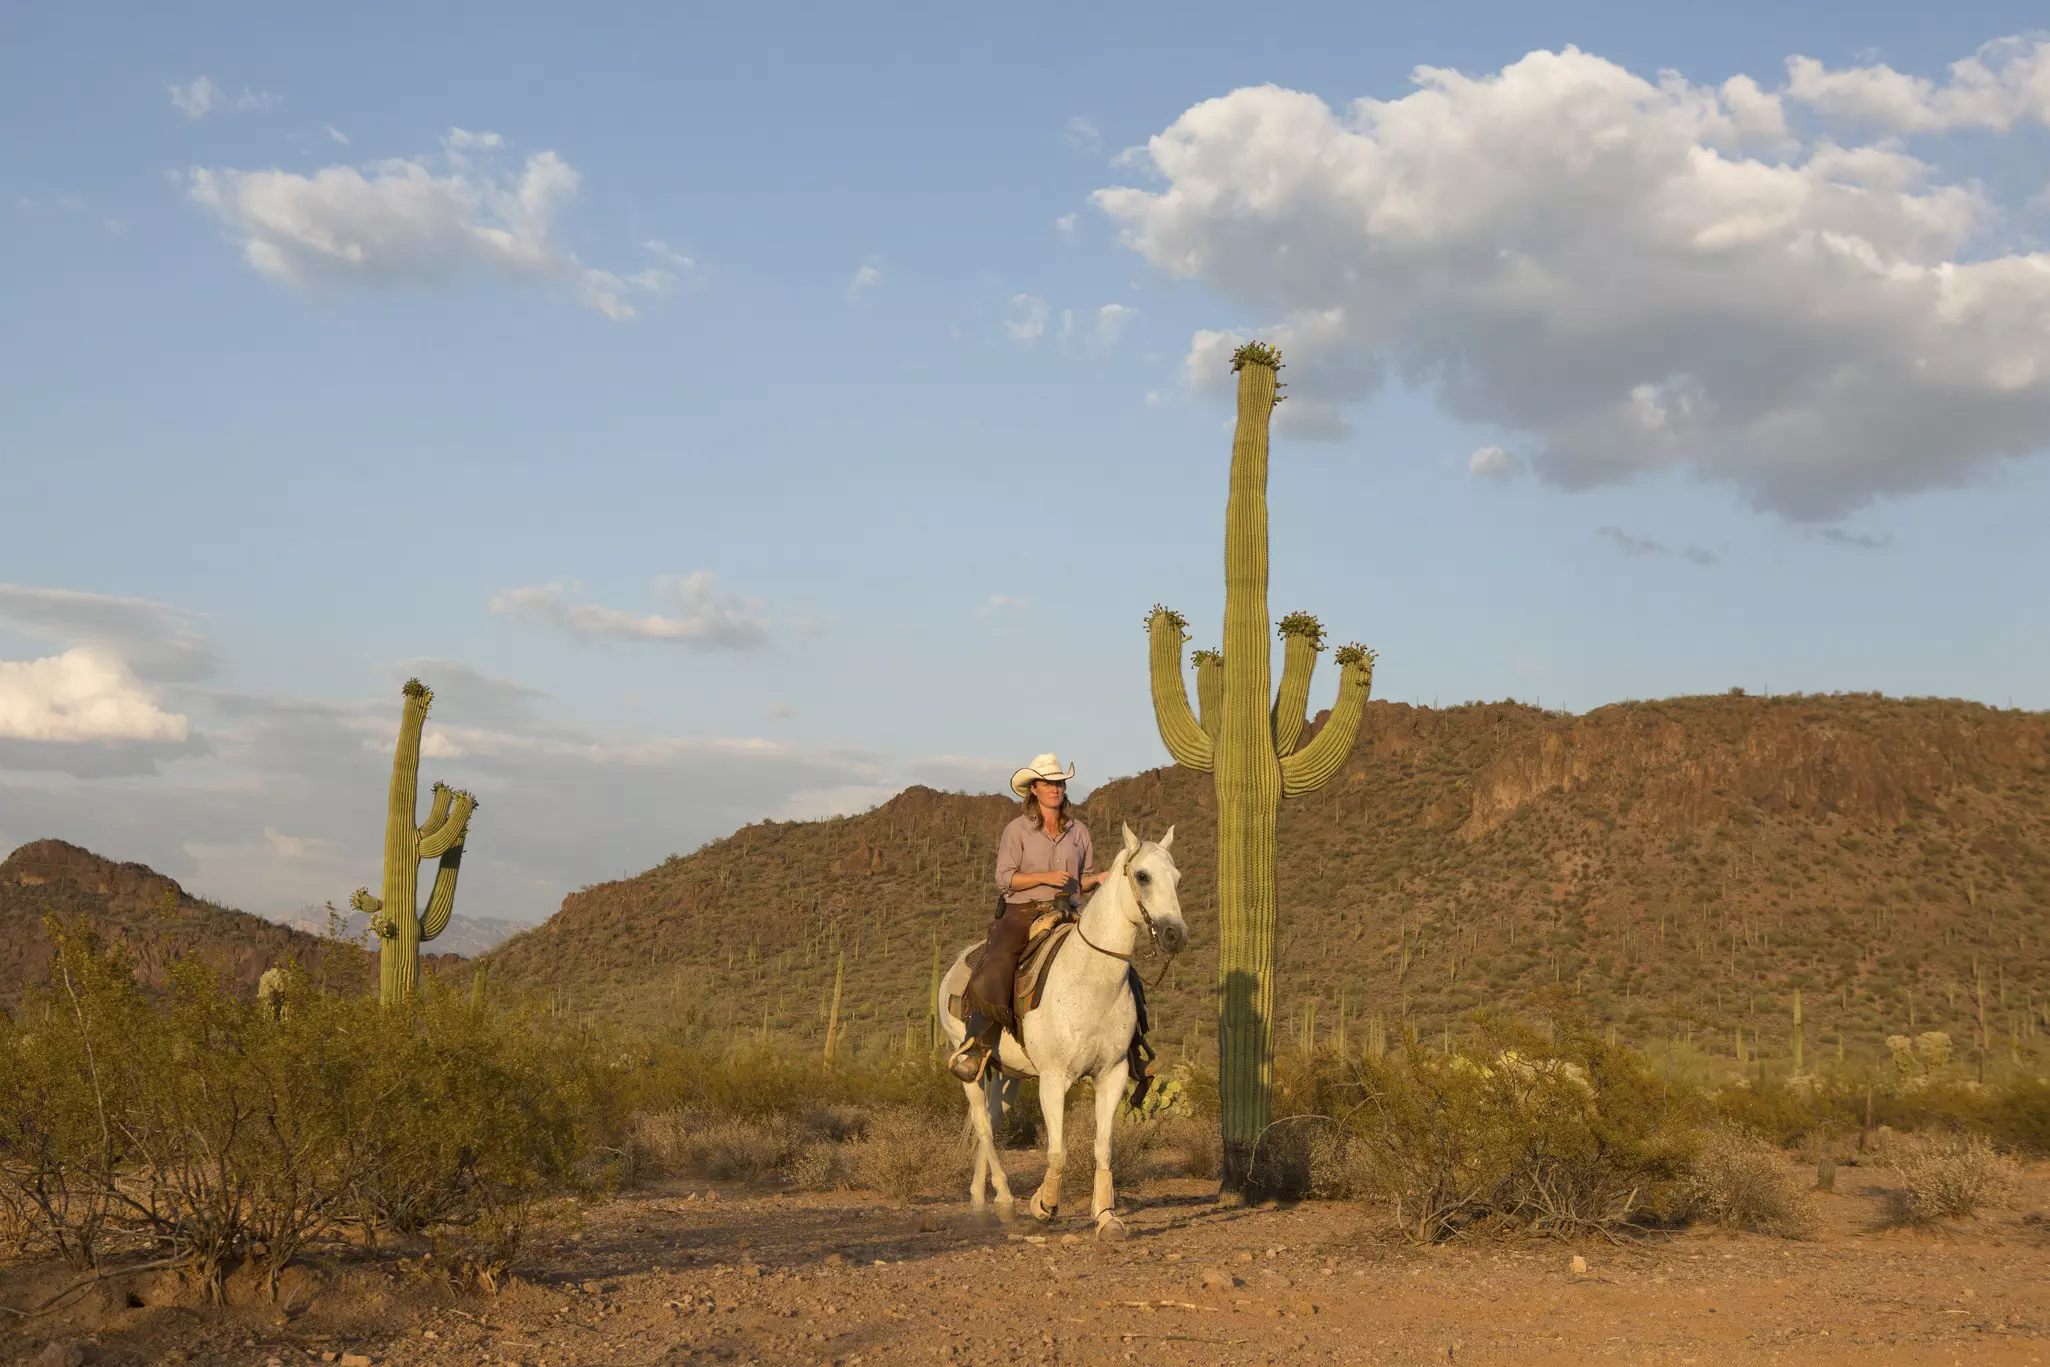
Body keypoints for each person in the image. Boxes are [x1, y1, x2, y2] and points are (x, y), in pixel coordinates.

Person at [947, 753, 1105, 1083]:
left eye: (1060, 783)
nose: (1056, 788)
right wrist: (1044, 877)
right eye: (1048, 783)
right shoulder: (1017, 830)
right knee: (999, 961)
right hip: (1022, 911)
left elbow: (1084, 878)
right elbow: (1005, 878)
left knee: (1111, 960)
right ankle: (976, 1043)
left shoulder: (1079, 832)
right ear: (1034, 788)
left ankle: (1131, 1048)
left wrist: (1101, 879)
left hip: (1068, 913)